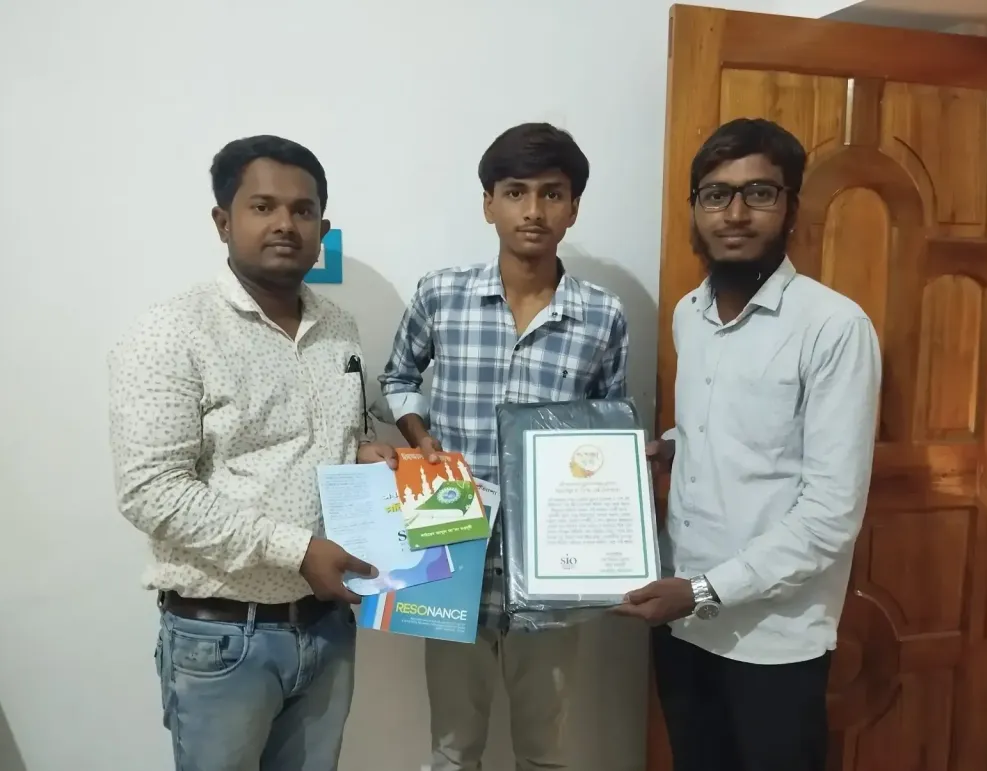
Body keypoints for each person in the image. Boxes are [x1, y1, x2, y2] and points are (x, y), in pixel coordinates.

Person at [108, 135, 396, 771]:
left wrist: (365, 454)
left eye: (302, 210)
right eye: (263, 207)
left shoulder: (340, 328)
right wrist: (298, 550)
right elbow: (151, 490)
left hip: (329, 626)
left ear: (323, 228)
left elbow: (331, 437)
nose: (285, 224)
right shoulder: (172, 331)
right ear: (223, 221)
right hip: (221, 639)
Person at [614, 118, 881, 771]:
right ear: (695, 209)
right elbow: (733, 427)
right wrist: (672, 446)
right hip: (682, 624)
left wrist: (701, 590)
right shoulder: (690, 313)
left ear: (791, 207)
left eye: (758, 193)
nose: (734, 214)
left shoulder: (834, 327)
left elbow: (830, 514)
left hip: (774, 640)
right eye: (716, 194)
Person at [379, 122, 629, 771]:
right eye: (516, 192)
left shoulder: (602, 315)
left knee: (544, 750)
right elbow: (397, 377)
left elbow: (612, 430)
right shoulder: (442, 294)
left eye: (552, 193)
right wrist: (420, 437)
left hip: (551, 566)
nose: (533, 210)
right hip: (449, 539)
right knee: (451, 747)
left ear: (574, 207)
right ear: (489, 203)